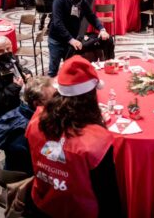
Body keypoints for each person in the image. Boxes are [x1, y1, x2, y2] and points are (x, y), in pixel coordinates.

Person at [24, 56, 121, 217]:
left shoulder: (35, 122)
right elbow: (107, 193)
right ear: (91, 96)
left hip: (40, 205)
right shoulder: (96, 140)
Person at [0, 76, 55, 173]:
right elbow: (46, 156)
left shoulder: (18, 112)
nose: (57, 102)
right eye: (52, 99)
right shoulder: (29, 129)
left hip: (14, 166)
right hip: (23, 176)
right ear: (37, 104)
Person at [47, 0, 110, 77]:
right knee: (53, 70)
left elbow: (91, 16)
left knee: (69, 69)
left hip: (72, 39)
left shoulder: (82, 1)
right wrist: (70, 39)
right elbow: (57, 22)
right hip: (57, 39)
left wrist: (102, 29)